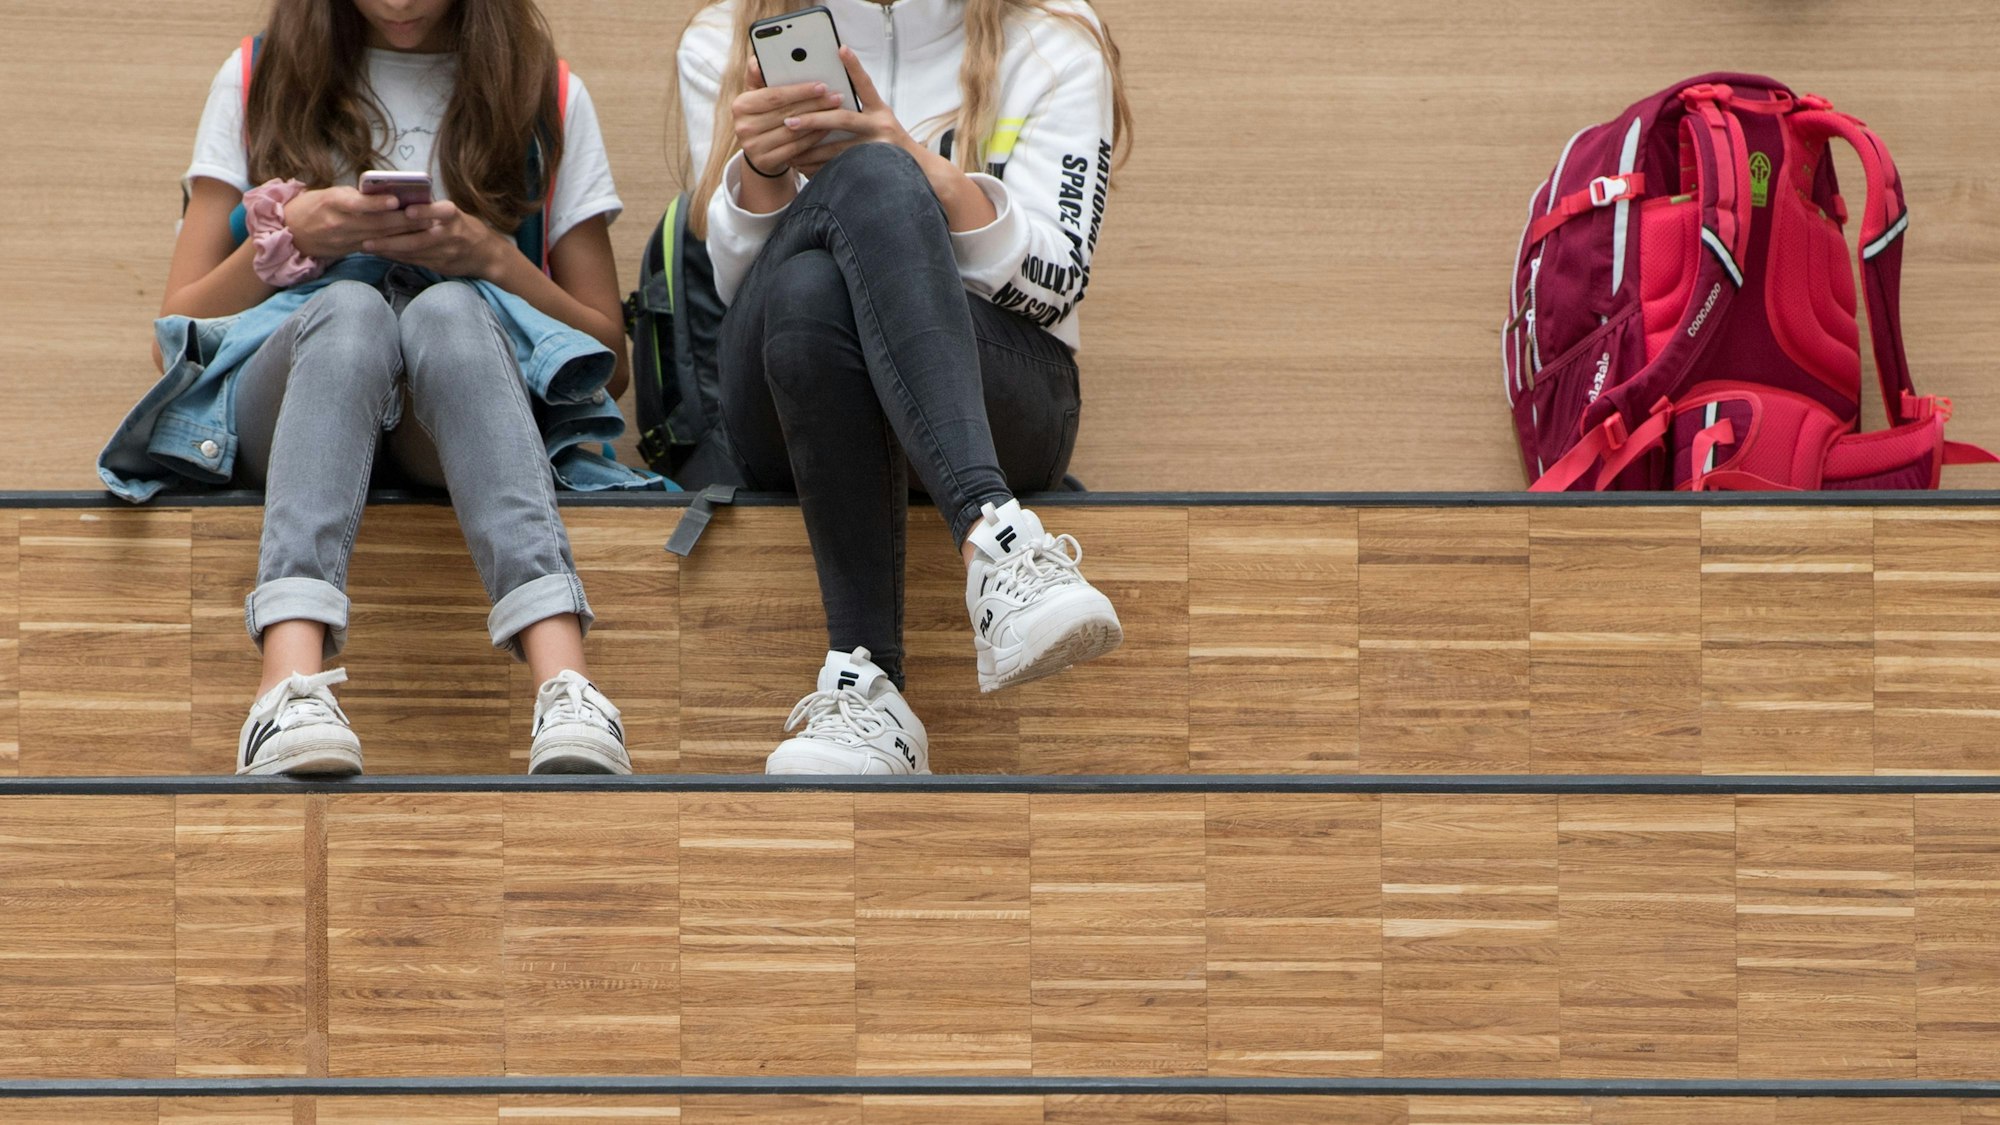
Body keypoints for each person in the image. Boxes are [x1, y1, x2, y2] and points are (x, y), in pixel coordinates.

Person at [138, 0, 643, 776]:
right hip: (297, 401)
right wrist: (293, 238)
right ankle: (286, 686)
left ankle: (567, 684)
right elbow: (175, 330)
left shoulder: (544, 92)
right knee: (351, 309)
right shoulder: (256, 75)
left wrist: (491, 258)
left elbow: (610, 359)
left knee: (447, 308)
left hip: (453, 417)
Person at [674, 0, 1135, 775]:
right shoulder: (724, 38)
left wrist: (919, 166)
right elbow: (738, 290)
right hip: (786, 403)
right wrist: (761, 172)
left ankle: (871, 684)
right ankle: (998, 544)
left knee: (878, 178)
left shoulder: (1055, 38)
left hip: (1006, 391)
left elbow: (1058, 283)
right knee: (814, 283)